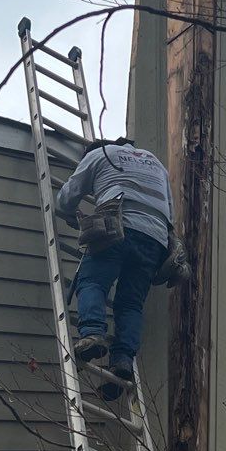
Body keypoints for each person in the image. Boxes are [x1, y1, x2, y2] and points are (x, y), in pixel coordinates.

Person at [56, 137, 175, 396]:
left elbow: (68, 196)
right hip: (155, 237)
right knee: (131, 303)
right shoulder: (156, 164)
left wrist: (66, 213)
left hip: (117, 222)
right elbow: (170, 214)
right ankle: (122, 359)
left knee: (93, 282)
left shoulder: (102, 154)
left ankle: (92, 334)